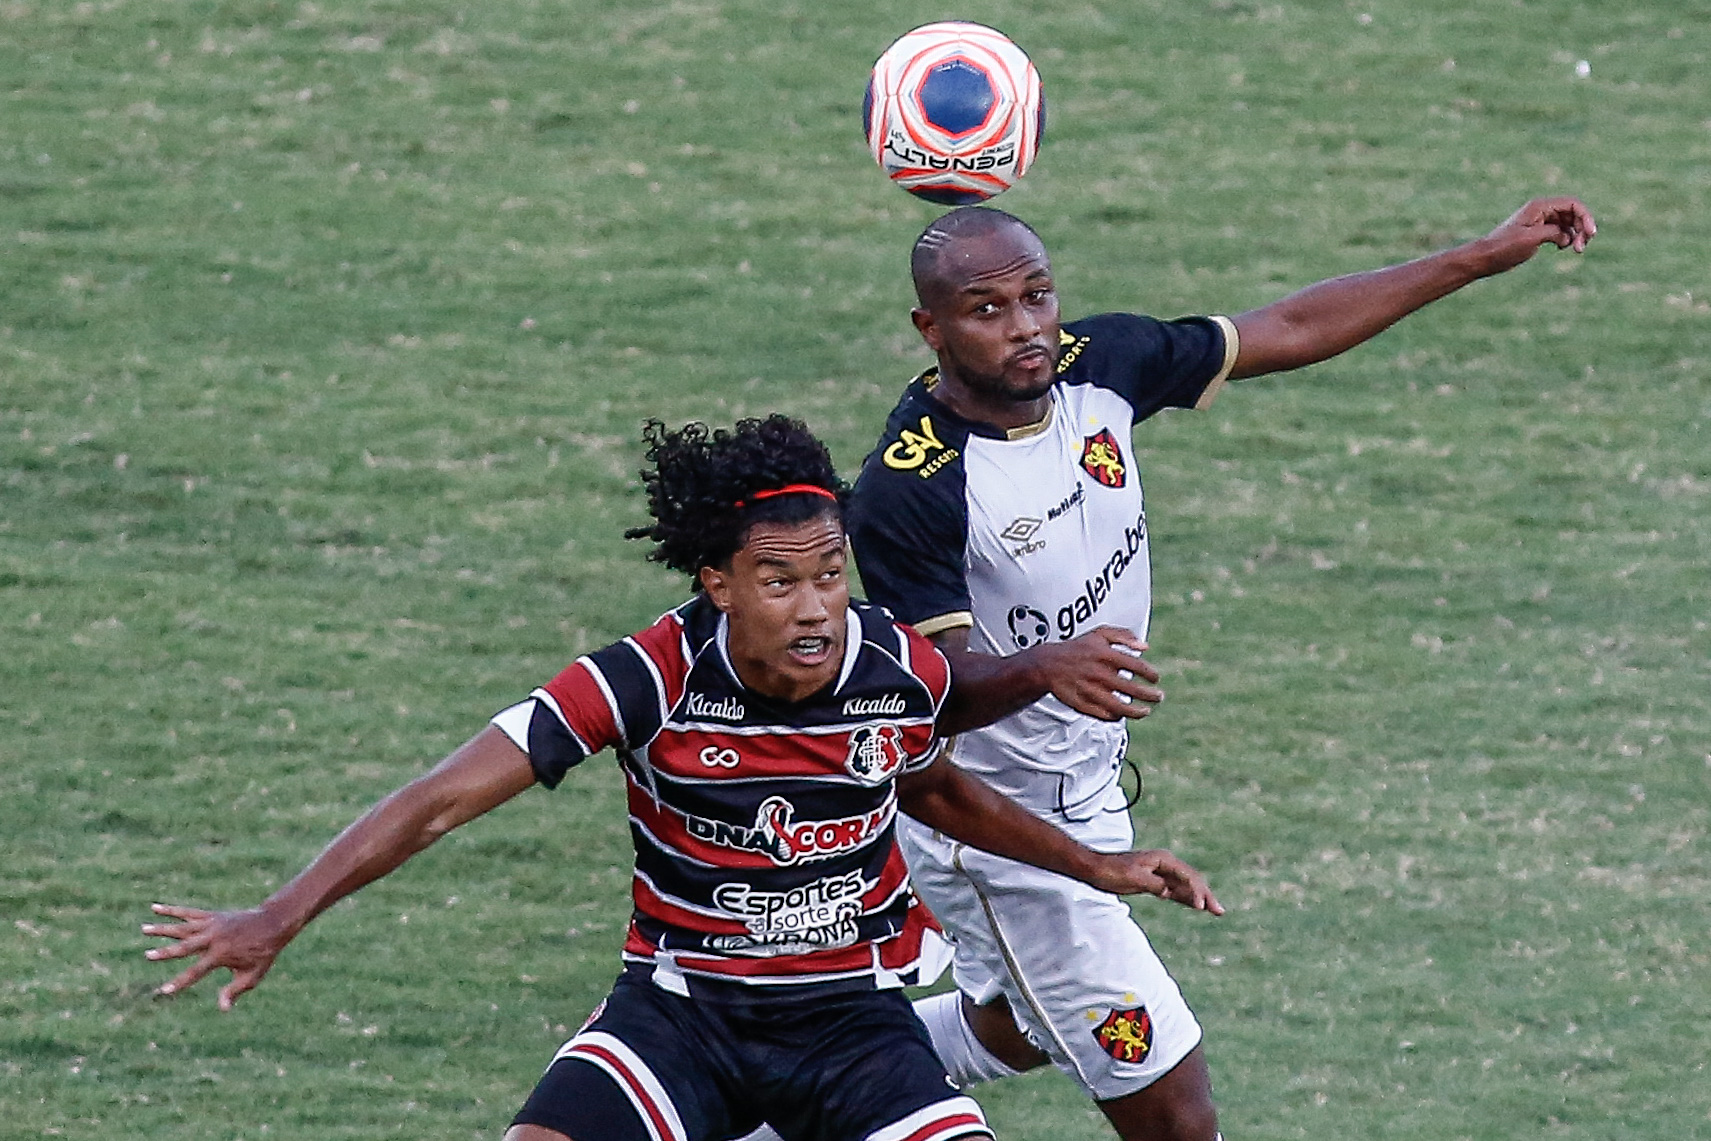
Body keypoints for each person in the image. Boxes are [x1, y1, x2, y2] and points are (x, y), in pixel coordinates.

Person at [142, 413, 1224, 1141]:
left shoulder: (896, 665)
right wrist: (280, 914)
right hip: (680, 1017)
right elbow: (439, 800)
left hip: (850, 1026)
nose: (814, 606)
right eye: (779, 580)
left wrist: (1099, 865)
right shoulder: (642, 677)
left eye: (829, 574)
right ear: (718, 583)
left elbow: (928, 786)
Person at [842, 198, 1597, 1141]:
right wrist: (1043, 666)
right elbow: (933, 699)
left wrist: (1478, 257)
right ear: (931, 327)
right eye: (987, 309)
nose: (1027, 327)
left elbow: (1286, 326)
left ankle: (774, 1087)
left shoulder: (1099, 363)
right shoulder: (910, 486)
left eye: (1037, 296)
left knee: (1019, 1026)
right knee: (1176, 1108)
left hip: (1082, 780)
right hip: (997, 828)